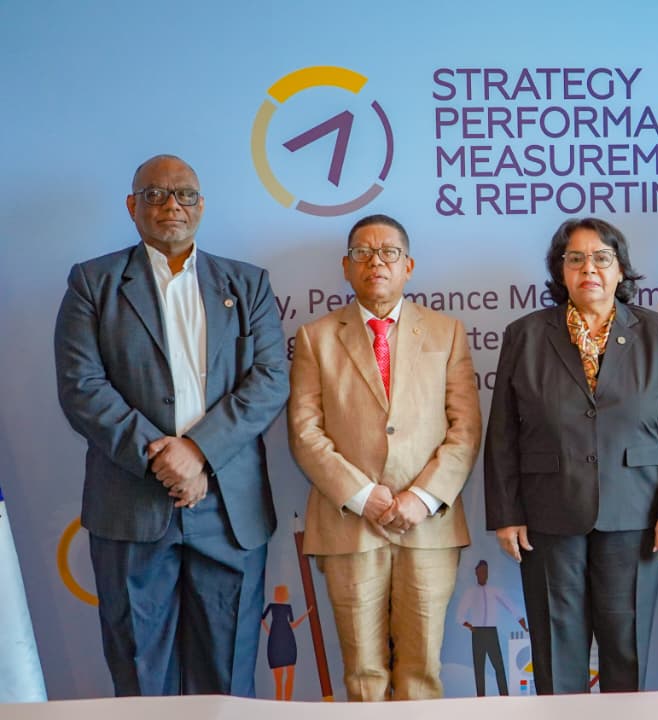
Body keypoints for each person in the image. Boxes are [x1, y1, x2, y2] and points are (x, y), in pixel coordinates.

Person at [53, 154, 289, 696]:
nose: (171, 205)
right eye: (155, 194)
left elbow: (271, 381)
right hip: (132, 504)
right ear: (132, 206)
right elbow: (81, 387)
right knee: (140, 678)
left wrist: (199, 452)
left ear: (201, 206)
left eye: (184, 194)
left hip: (228, 509)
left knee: (228, 680)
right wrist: (162, 459)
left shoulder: (247, 283)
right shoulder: (93, 282)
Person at [485, 217, 658, 694]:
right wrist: (506, 513)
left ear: (621, 270)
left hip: (636, 514)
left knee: (626, 647)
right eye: (575, 259)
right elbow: (503, 433)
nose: (589, 269)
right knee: (556, 649)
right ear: (560, 271)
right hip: (549, 513)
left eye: (602, 258)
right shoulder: (525, 335)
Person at [288, 213, 482, 700]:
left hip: (428, 526)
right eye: (363, 253)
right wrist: (361, 495)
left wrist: (422, 497)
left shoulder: (446, 332)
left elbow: (465, 429)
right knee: (363, 675)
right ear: (346, 266)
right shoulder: (316, 337)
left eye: (389, 252)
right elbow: (305, 432)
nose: (376, 262)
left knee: (422, 672)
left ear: (408, 266)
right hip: (349, 526)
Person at [455, 559, 528, 696]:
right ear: (476, 573)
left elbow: (511, 606)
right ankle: (480, 699)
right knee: (479, 668)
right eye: (481, 571)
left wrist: (524, 625)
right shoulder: (470, 592)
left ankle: (504, 696)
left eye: (486, 572)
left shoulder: (495, 591)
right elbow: (460, 615)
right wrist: (469, 626)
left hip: (491, 632)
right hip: (477, 632)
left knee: (499, 666)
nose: (484, 574)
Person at [261, 584, 312, 700]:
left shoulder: (287, 607)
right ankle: (280, 704)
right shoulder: (272, 606)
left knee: (289, 675)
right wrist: (269, 631)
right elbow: (262, 619)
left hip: (286, 639)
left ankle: (287, 703)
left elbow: (293, 624)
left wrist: (306, 614)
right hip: (277, 640)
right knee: (280, 679)